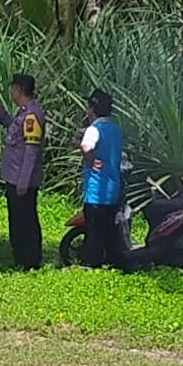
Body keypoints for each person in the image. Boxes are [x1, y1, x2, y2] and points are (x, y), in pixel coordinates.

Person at [0, 73, 47, 268]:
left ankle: (30, 259)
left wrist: (23, 182)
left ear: (19, 90)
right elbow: (15, 129)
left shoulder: (31, 116)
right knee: (17, 218)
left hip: (22, 181)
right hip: (14, 177)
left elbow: (31, 152)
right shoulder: (23, 113)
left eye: (12, 88)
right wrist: (0, 114)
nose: (11, 92)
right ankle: (20, 256)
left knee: (26, 220)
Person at [73, 90, 129, 269]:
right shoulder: (115, 129)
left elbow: (87, 146)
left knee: (94, 231)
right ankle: (112, 261)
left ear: (91, 109)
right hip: (112, 188)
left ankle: (91, 262)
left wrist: (90, 161)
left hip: (96, 190)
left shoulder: (94, 128)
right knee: (109, 229)